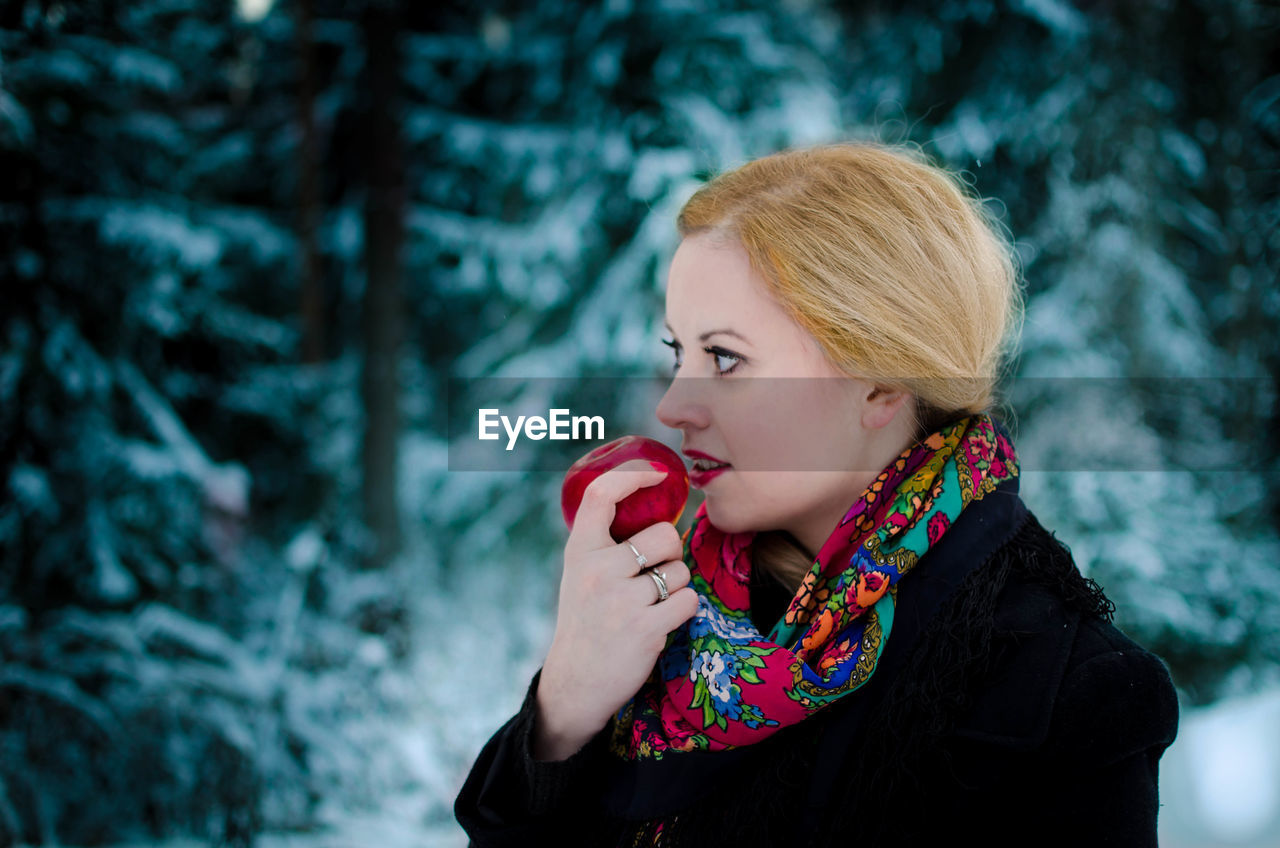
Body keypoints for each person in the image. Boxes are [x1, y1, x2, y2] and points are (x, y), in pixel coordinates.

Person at [454, 143, 1179, 847]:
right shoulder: (670, 616)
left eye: (726, 358)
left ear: (882, 382)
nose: (674, 406)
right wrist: (565, 709)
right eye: (679, 353)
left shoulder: (1071, 696)